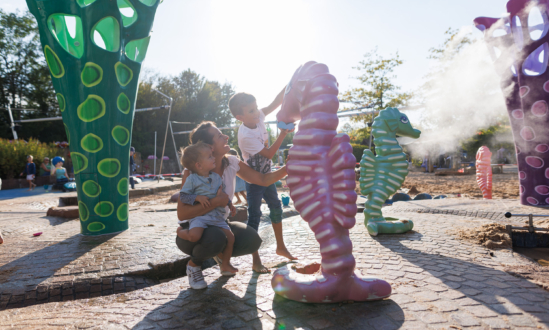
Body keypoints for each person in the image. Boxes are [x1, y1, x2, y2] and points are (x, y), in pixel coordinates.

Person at [177, 121, 288, 289]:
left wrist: (289, 167)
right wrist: (215, 202)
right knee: (216, 237)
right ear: (210, 146)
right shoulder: (192, 173)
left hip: (219, 221)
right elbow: (182, 214)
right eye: (219, 135)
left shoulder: (231, 162)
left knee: (252, 239)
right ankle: (194, 266)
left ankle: (222, 258)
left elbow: (263, 180)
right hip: (194, 228)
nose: (226, 136)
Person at [229, 89, 297, 263]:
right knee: (254, 215)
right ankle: (255, 259)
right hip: (254, 181)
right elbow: (269, 154)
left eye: (256, 108)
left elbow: (274, 104)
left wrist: (288, 87)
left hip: (267, 176)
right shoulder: (245, 136)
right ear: (240, 117)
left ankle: (281, 247)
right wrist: (283, 134)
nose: (257, 113)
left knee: (276, 207)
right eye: (251, 111)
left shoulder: (257, 117)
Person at [177, 142, 238, 275]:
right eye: (210, 157)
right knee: (194, 236)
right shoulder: (192, 179)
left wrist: (230, 204)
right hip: (201, 217)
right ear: (199, 165)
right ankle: (181, 232)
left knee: (231, 238)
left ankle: (226, 264)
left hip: (216, 217)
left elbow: (223, 195)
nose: (214, 158)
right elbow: (183, 197)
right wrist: (197, 197)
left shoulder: (216, 178)